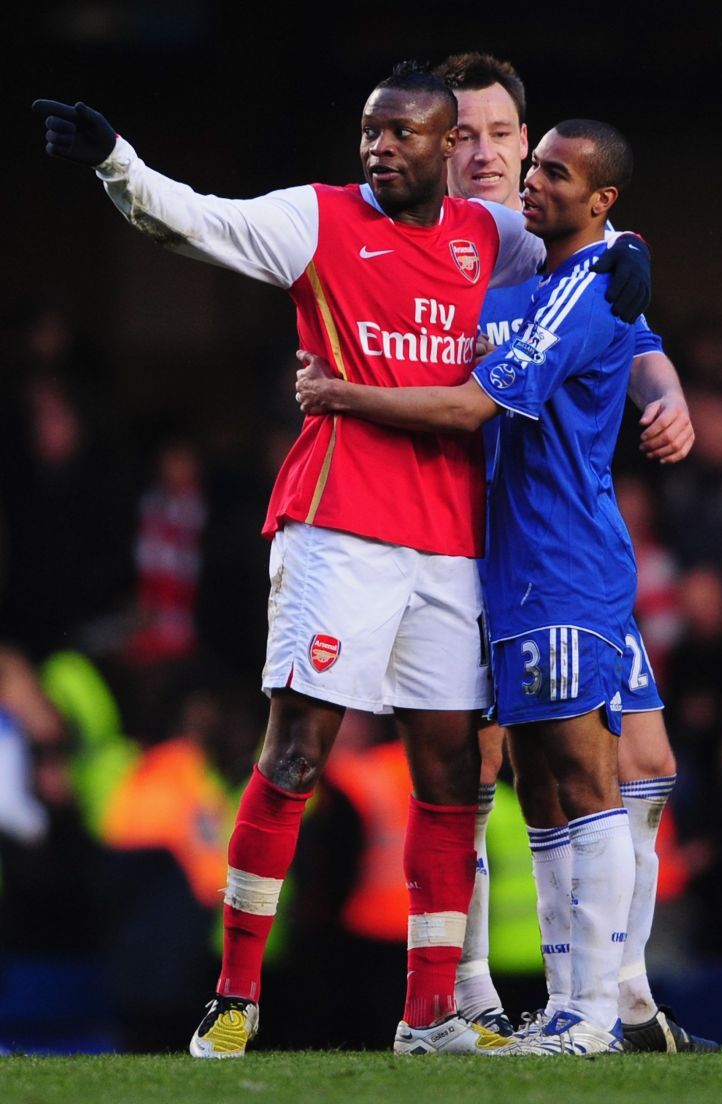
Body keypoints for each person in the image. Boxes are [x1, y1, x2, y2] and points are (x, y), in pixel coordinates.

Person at [32, 63, 652, 1058]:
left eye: (403, 133)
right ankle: (233, 998)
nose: (379, 147)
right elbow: (194, 222)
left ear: (448, 150)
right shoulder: (316, 219)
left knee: (452, 775)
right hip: (338, 528)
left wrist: (631, 256)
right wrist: (117, 163)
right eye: (370, 130)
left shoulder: (488, 237)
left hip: (450, 541)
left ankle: (430, 1017)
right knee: (294, 754)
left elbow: (588, 246)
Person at [295, 117, 699, 1056]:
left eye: (546, 166)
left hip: (563, 563)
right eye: (533, 165)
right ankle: (570, 1006)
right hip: (504, 567)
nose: (525, 177)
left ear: (595, 198)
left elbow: (480, 402)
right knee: (547, 788)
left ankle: (602, 1010)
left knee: (601, 775)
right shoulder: (523, 279)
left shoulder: (586, 282)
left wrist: (341, 394)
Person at [429, 52, 716, 1053]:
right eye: (464, 135)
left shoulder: (580, 262)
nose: (490, 155)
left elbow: (610, 308)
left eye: (504, 138)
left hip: (559, 556)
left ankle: (603, 1000)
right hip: (489, 552)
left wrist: (663, 388)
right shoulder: (459, 246)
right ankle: (528, 998)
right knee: (520, 779)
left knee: (624, 766)